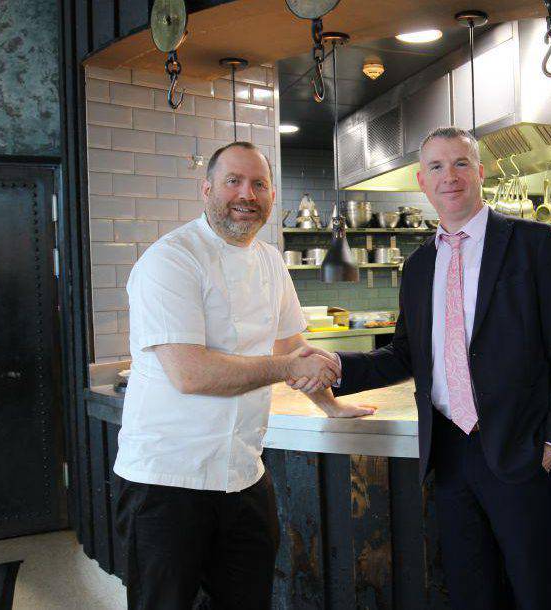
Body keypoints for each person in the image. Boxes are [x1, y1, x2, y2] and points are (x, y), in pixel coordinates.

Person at [296, 126, 551, 609]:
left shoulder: (533, 243)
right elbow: (406, 355)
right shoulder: (418, 265)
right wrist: (336, 367)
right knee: (472, 594)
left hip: (519, 447)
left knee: (539, 593)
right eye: (436, 167)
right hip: (448, 453)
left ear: (480, 172)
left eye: (460, 164)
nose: (449, 176)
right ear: (422, 180)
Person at [112, 141, 374, 610]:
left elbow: (292, 346)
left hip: (244, 474)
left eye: (259, 184)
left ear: (272, 195)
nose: (246, 194)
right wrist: (288, 367)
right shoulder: (171, 259)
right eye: (233, 181)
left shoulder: (271, 261)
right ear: (207, 188)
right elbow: (191, 374)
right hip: (168, 481)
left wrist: (330, 404)